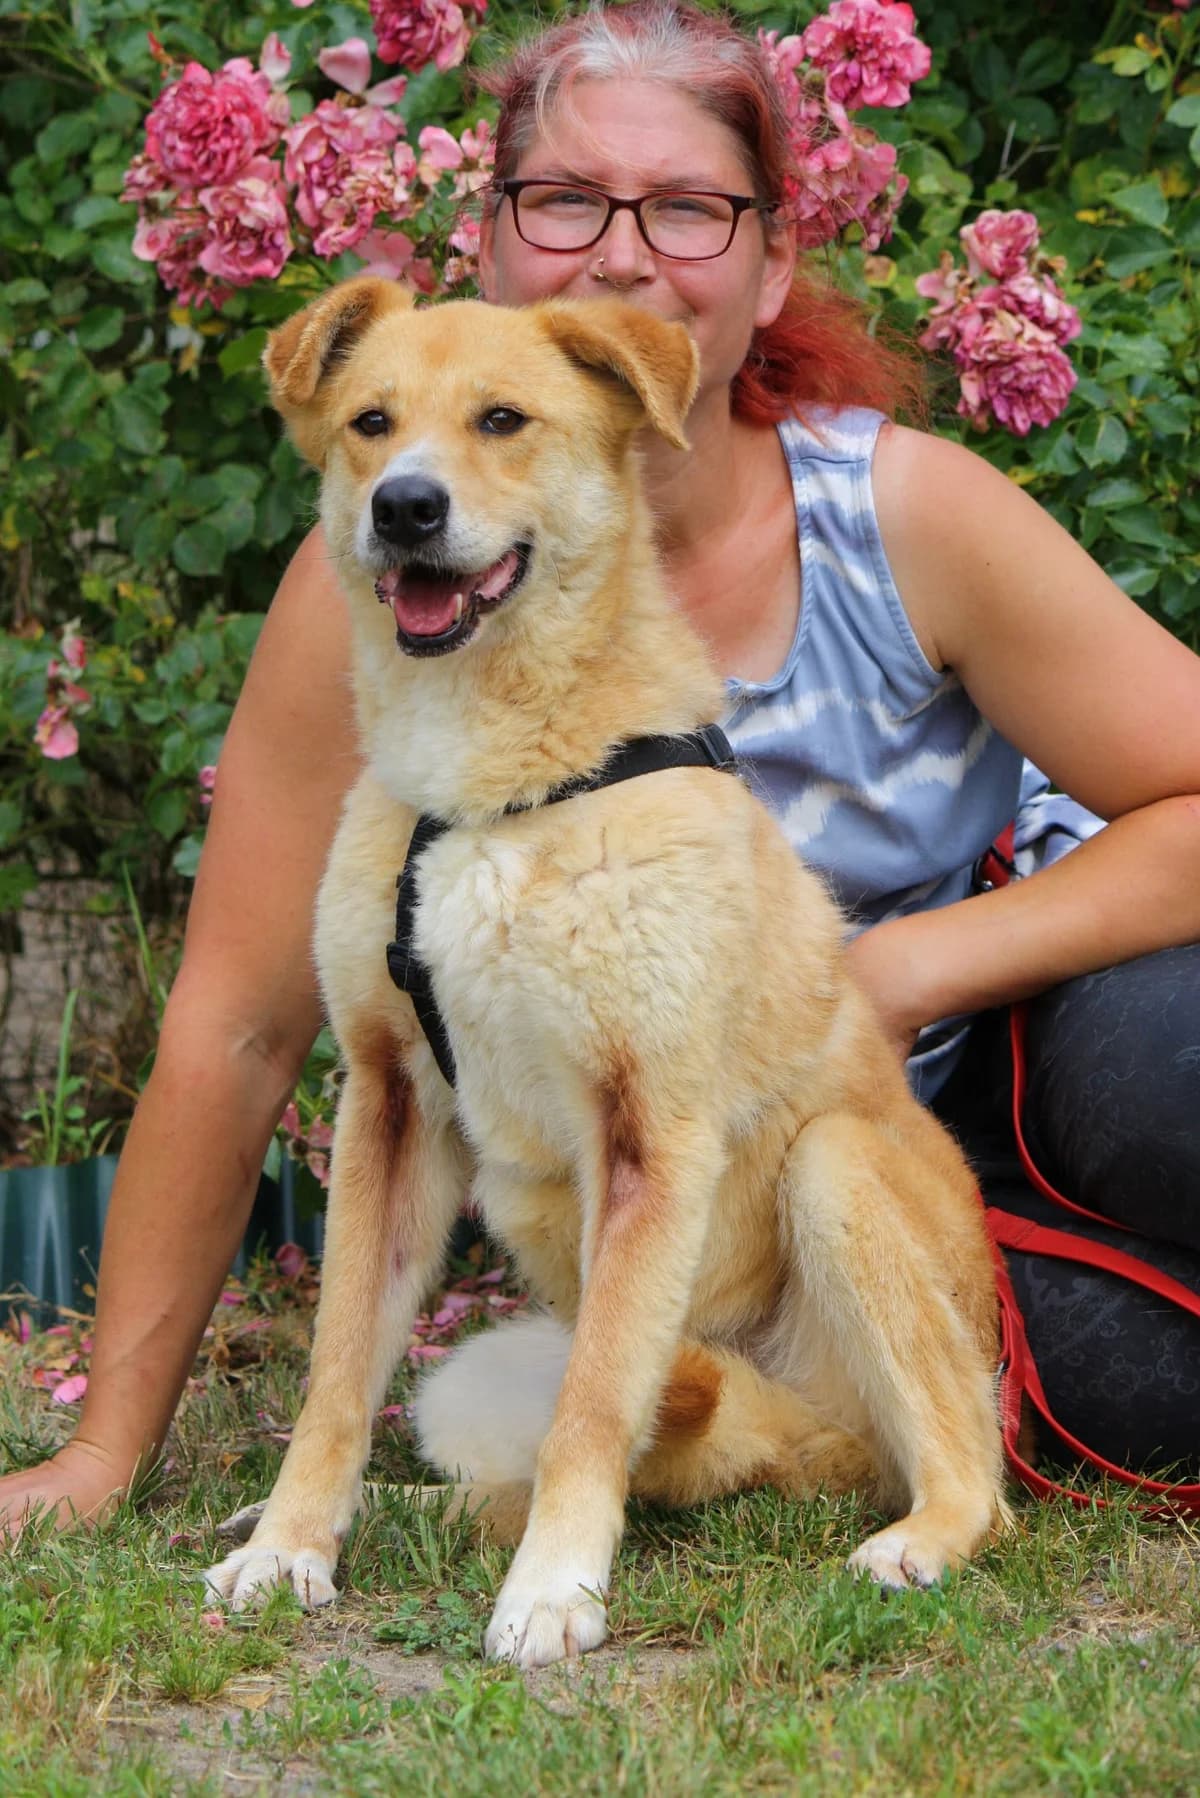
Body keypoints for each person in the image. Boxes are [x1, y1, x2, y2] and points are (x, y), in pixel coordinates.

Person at [4, 0, 1200, 1536]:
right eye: (566, 198)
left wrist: (899, 973)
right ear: (493, 240)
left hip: (1019, 1047)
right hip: (755, 1225)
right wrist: (105, 1451)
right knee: (1132, 1381)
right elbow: (238, 1027)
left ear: (771, 265)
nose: (623, 254)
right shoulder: (384, 575)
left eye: (691, 207)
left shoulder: (906, 518)